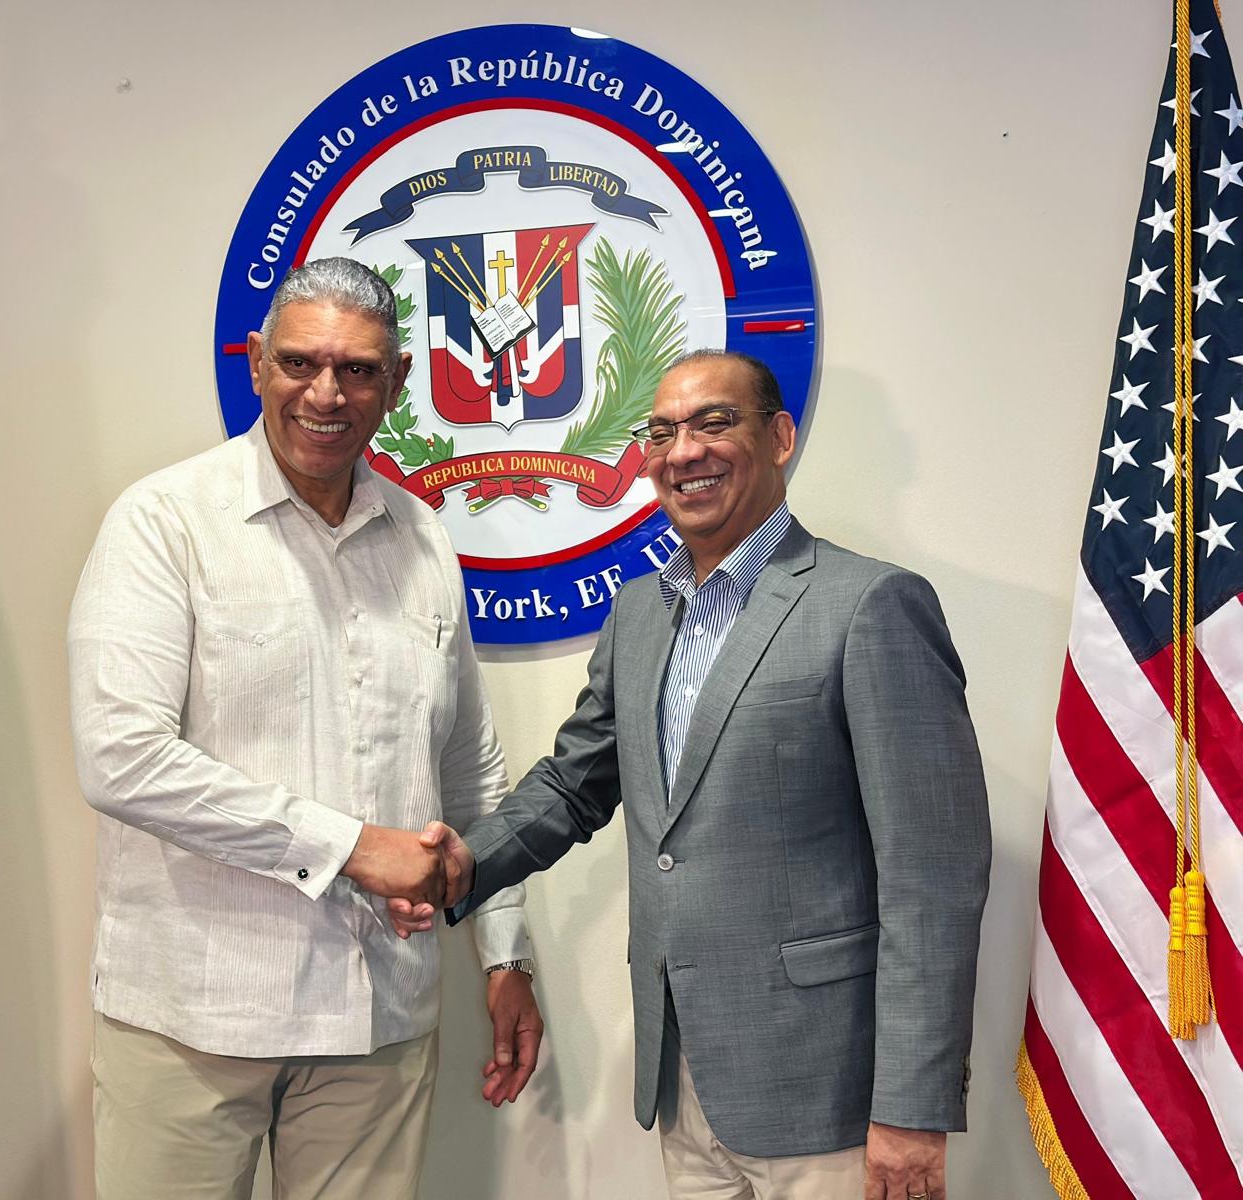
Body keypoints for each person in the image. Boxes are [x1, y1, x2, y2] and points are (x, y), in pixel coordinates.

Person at [397, 349, 990, 1200]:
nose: (684, 451)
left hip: (832, 1096)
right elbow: (573, 784)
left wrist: (912, 1105)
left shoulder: (870, 605)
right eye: (663, 432)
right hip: (685, 1081)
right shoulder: (639, 612)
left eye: (715, 423)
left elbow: (932, 878)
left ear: (780, 437)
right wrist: (460, 866)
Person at [68, 257, 541, 1200]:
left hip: (380, 1020)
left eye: (358, 370)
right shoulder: (165, 521)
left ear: (397, 382)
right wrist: (354, 848)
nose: (326, 394)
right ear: (256, 362)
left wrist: (505, 952)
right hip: (195, 1017)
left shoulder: (424, 538)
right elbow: (121, 759)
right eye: (299, 363)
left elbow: (468, 771)